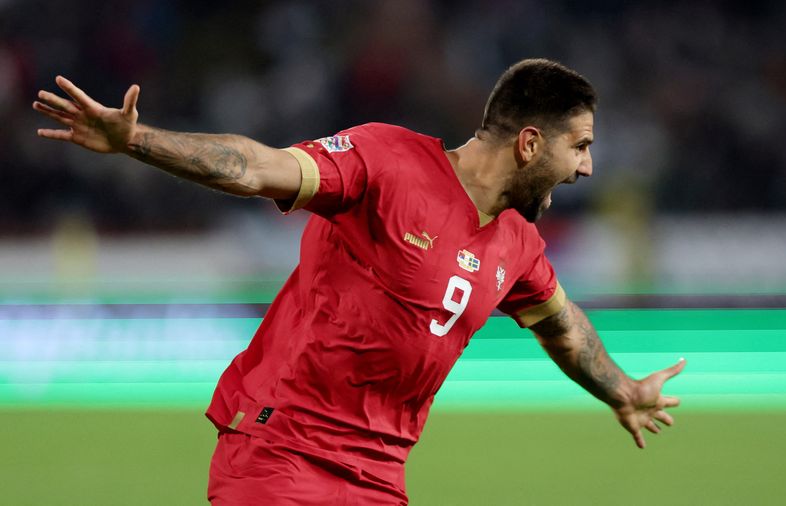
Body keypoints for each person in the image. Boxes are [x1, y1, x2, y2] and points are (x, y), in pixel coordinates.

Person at [34, 58, 685, 505]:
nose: (588, 168)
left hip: (380, 479)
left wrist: (622, 390)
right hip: (283, 455)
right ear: (530, 142)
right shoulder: (388, 161)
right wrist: (137, 140)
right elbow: (257, 169)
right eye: (580, 146)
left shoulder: (517, 244)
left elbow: (564, 327)